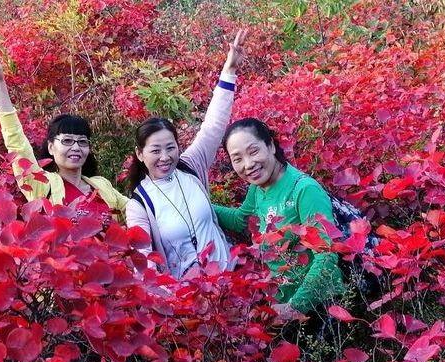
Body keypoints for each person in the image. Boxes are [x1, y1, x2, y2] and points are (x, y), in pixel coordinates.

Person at [125, 30, 248, 279]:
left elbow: (213, 126)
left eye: (170, 147)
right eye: (155, 150)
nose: (165, 157)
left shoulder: (190, 166)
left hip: (230, 280)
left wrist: (229, 71)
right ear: (140, 154)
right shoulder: (139, 204)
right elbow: (144, 258)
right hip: (188, 300)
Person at [0, 42, 128, 224]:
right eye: (67, 141)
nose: (76, 147)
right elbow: (17, 143)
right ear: (51, 146)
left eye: (82, 142)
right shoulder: (42, 185)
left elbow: (138, 214)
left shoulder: (102, 186)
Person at [213, 117, 345, 318]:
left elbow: (326, 255)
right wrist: (200, 206)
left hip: (319, 309)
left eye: (253, 151)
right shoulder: (258, 187)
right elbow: (241, 219)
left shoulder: (304, 190)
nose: (248, 164)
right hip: (279, 303)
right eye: (237, 158)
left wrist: (293, 308)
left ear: (271, 146)